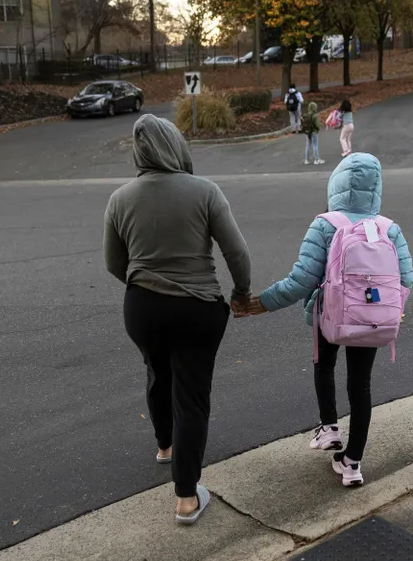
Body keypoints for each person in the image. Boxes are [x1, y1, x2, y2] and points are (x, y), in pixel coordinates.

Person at [103, 114, 252, 525]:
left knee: (157, 371)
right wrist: (240, 293)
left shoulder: (119, 199)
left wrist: (145, 286)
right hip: (197, 308)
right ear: (177, 146)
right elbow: (236, 253)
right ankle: (186, 495)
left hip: (143, 308)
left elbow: (114, 263)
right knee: (192, 395)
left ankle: (165, 445)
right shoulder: (205, 191)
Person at [235, 153, 413, 488]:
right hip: (372, 320)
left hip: (330, 316)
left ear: (337, 184)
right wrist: (386, 307)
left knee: (324, 365)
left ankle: (329, 428)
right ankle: (352, 464)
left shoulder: (325, 224)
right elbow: (406, 279)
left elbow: (301, 281)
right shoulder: (389, 228)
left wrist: (261, 304)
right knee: (361, 386)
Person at [302, 101, 325, 165]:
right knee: (315, 145)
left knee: (308, 144)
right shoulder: (315, 116)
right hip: (314, 131)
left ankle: (306, 160)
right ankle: (316, 159)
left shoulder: (306, 115)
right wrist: (319, 128)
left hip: (308, 132)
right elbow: (317, 125)